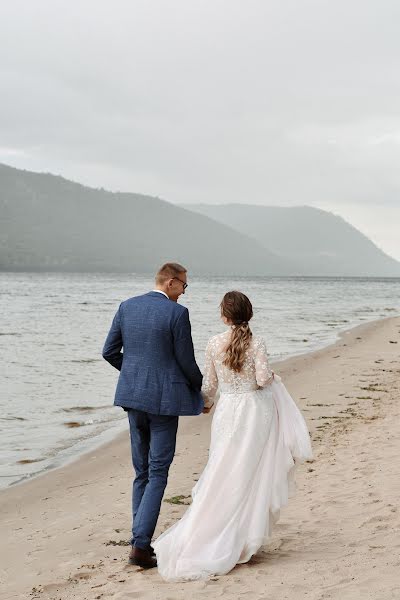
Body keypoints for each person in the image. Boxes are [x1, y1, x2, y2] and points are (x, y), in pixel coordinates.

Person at [154, 290, 312, 581]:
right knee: (250, 471)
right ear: (248, 313)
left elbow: (209, 385)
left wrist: (203, 404)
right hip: (255, 410)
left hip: (228, 410)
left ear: (223, 316)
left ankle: (214, 531)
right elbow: (263, 379)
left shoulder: (214, 343)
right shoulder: (257, 342)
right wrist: (274, 378)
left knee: (222, 467)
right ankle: (243, 537)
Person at [102, 262, 205, 569]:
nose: (184, 293)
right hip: (162, 402)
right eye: (184, 286)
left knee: (141, 471)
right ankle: (140, 545)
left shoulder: (127, 306)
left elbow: (109, 351)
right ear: (171, 283)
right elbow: (186, 361)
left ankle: (139, 540)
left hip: (132, 398)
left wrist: (134, 374)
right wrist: (198, 390)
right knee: (158, 471)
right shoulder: (177, 313)